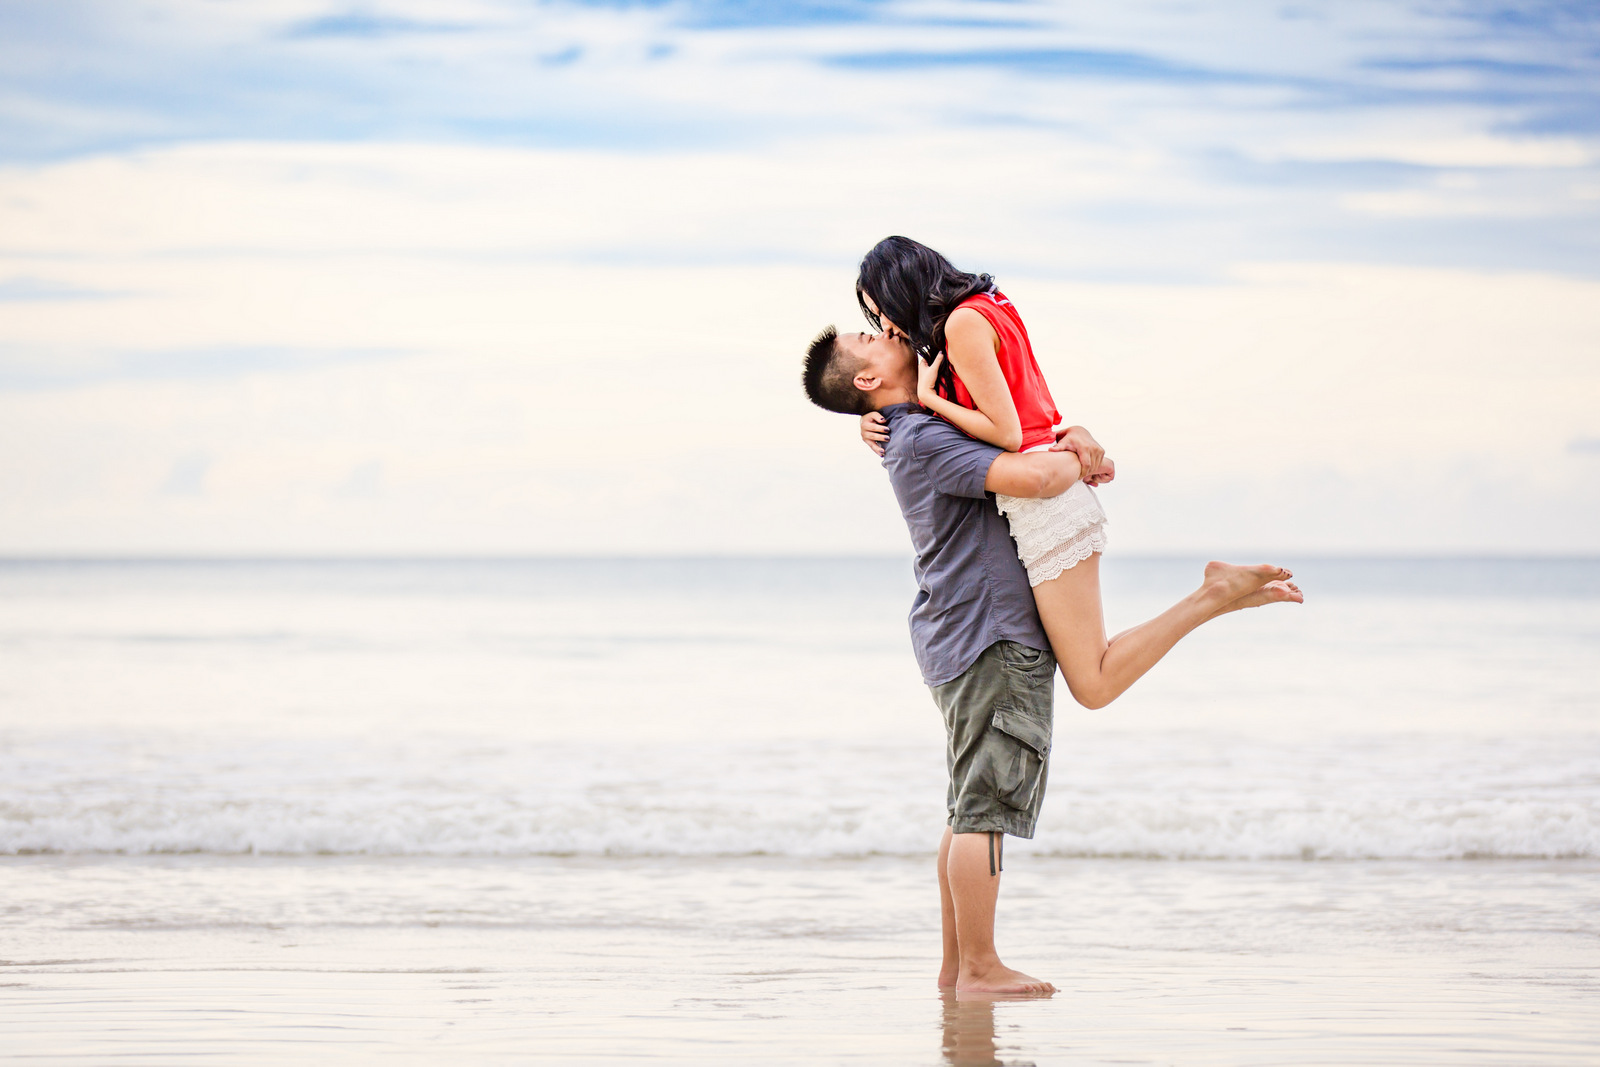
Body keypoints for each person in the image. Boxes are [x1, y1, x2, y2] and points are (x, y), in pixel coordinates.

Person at [801, 325, 1300, 995]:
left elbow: (1004, 436)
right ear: (867, 380)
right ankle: (978, 966)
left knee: (967, 805)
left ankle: (959, 967)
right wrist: (1079, 455)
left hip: (964, 630)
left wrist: (1072, 439)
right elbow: (1035, 475)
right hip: (990, 631)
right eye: (871, 337)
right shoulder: (919, 437)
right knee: (985, 807)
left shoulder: (915, 427)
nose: (888, 331)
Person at [853, 236, 1302, 709]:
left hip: (1043, 500)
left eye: (879, 310)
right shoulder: (986, 304)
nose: (885, 325)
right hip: (1048, 483)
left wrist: (930, 401)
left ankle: (1214, 594)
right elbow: (1024, 413)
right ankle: (1224, 596)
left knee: (1094, 684)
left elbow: (1006, 434)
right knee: (1094, 674)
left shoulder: (962, 325)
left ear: (900, 287)